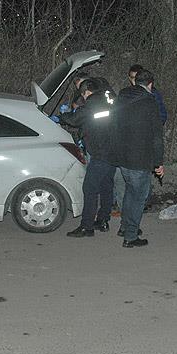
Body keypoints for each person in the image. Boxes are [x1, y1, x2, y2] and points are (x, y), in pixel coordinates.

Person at [60, 78, 118, 237]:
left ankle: (87, 226)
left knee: (90, 188)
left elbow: (74, 120)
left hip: (100, 153)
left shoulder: (91, 104)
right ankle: (103, 220)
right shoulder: (108, 100)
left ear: (86, 92)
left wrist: (62, 115)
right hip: (113, 151)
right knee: (106, 186)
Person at [113, 69, 164, 247]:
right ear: (150, 84)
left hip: (122, 156)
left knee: (129, 193)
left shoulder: (122, 98)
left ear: (134, 82)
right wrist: (158, 163)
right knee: (138, 197)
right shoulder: (150, 102)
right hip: (139, 158)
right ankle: (131, 237)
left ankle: (125, 227)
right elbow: (157, 136)